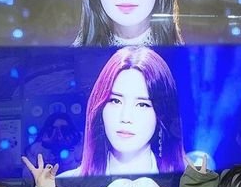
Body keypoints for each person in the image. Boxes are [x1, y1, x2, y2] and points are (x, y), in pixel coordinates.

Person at [60, 46, 185, 177]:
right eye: (115, 101)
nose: (125, 117)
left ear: (162, 114)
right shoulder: (65, 182)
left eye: (142, 104)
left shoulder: (185, 180)